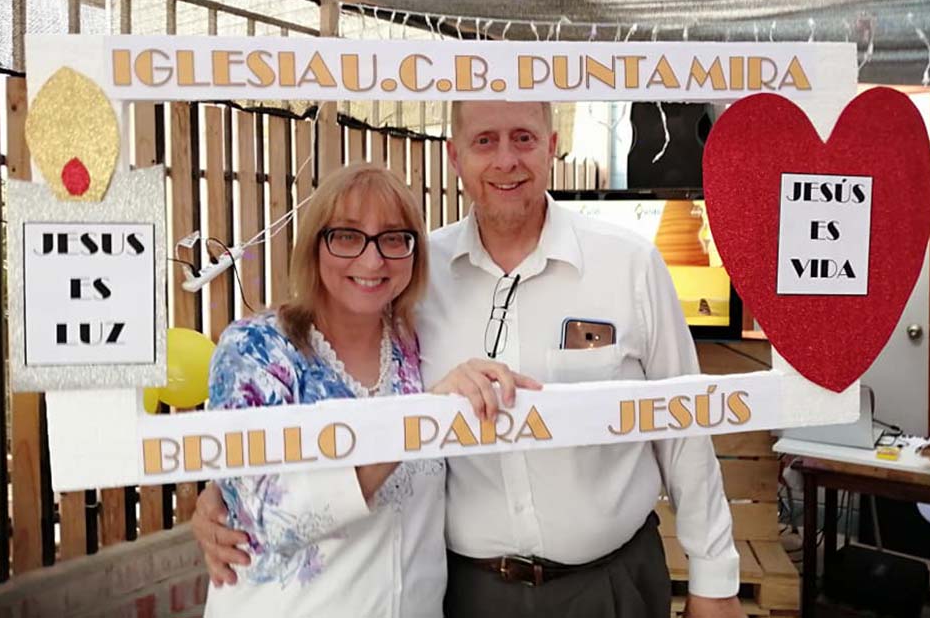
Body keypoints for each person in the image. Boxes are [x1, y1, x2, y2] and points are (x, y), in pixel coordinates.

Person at [195, 101, 744, 618]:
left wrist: (715, 579)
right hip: (469, 592)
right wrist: (223, 489)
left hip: (610, 582)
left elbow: (685, 425)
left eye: (523, 138)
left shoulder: (628, 264)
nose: (506, 159)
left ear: (552, 145)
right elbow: (276, 460)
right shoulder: (414, 280)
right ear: (455, 155)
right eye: (485, 140)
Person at [201, 163, 537, 618]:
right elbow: (271, 518)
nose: (372, 260)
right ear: (314, 244)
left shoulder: (416, 347)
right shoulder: (256, 349)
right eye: (347, 236)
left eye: (393, 238)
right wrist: (421, 422)